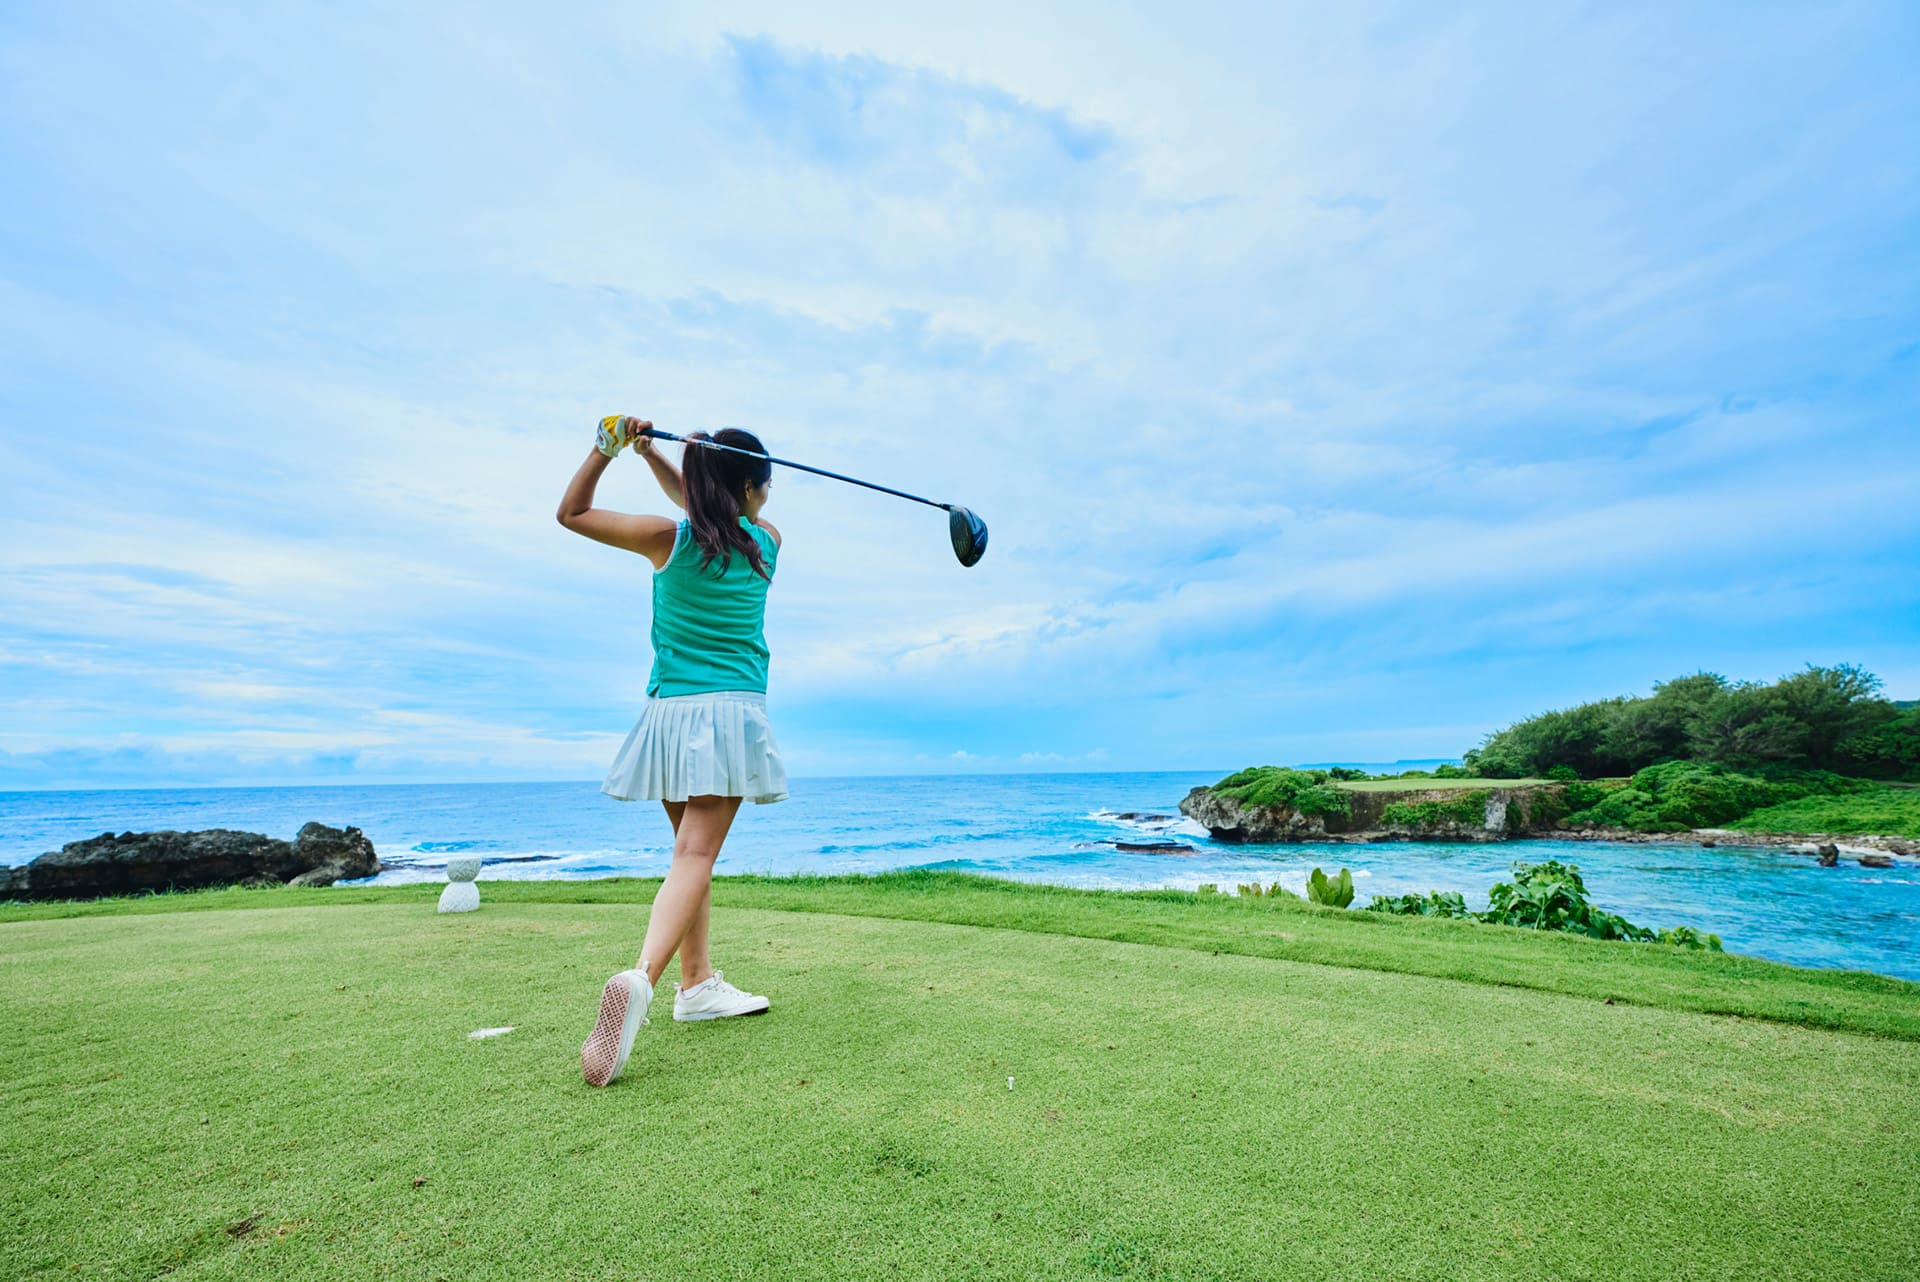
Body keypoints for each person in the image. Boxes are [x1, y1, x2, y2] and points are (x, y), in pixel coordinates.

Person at [555, 415, 788, 1087]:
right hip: (730, 714)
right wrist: (668, 458)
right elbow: (708, 503)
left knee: (686, 857)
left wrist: (615, 450)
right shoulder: (765, 544)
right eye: (763, 489)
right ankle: (644, 977)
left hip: (667, 716)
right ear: (750, 490)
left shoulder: (666, 539)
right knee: (696, 855)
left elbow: (571, 513)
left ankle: (698, 985)